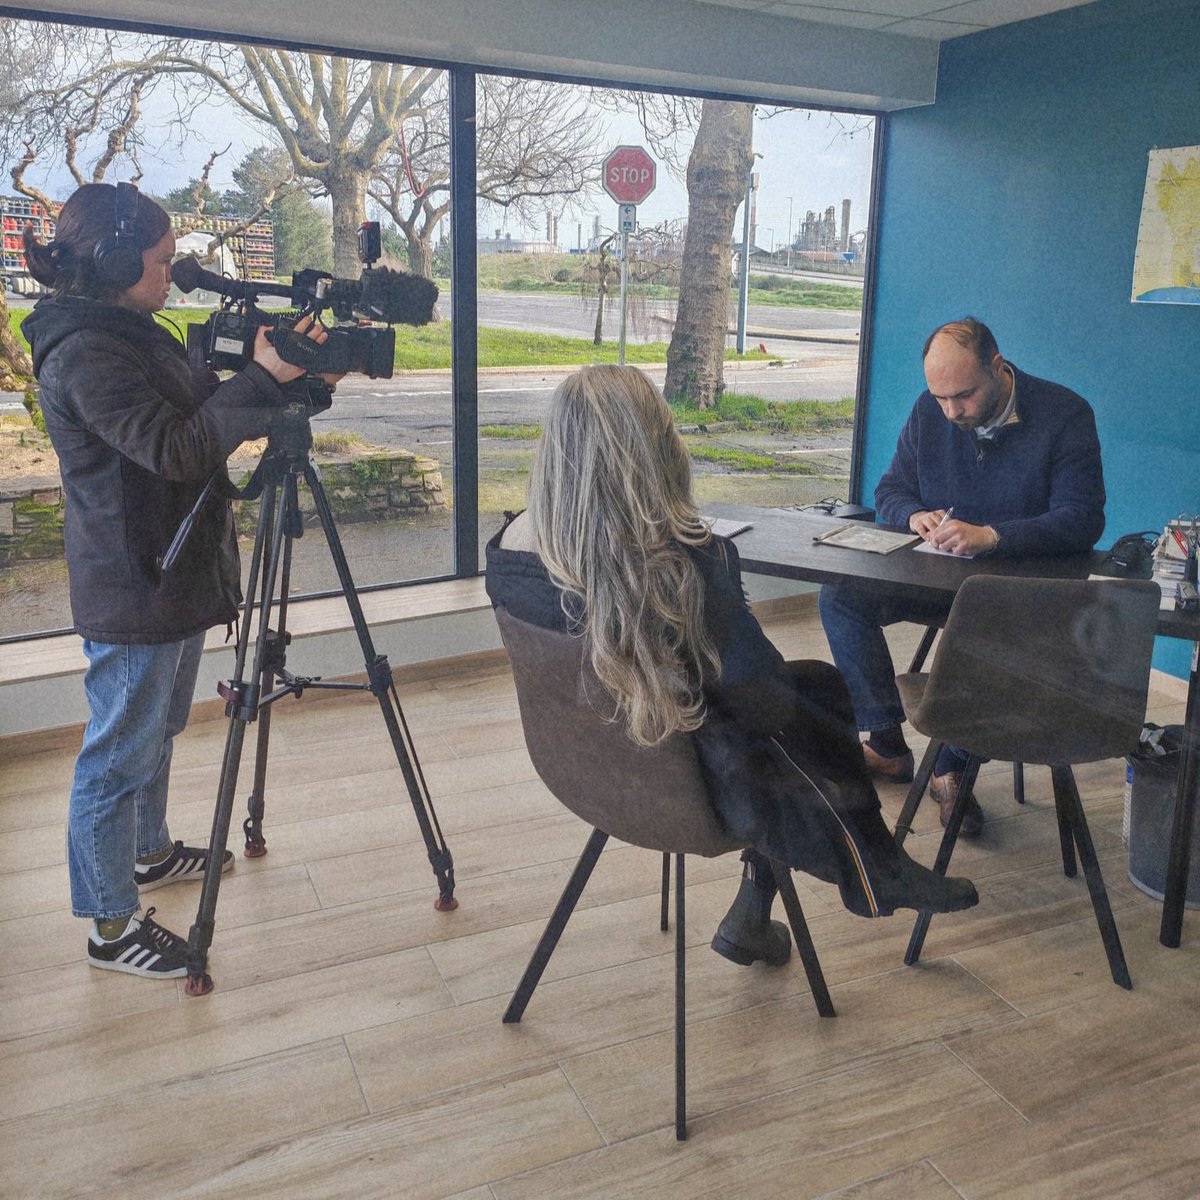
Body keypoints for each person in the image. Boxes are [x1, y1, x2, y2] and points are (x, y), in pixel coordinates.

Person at [485, 364, 977, 969]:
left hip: (589, 767)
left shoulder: (509, 552)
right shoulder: (684, 559)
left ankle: (764, 903)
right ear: (657, 447)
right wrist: (723, 579)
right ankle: (869, 862)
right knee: (809, 696)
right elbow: (765, 697)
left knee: (795, 701)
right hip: (690, 789)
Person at [22, 181, 331, 979]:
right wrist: (257, 383)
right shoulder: (87, 352)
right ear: (120, 262)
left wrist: (278, 381)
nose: (172, 272)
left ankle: (149, 854)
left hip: (171, 566)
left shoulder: (126, 328)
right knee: (115, 757)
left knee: (156, 733)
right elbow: (177, 448)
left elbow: (195, 408)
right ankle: (109, 924)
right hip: (137, 580)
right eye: (161, 261)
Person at [819, 316, 1106, 836]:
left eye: (964, 396)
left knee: (988, 634)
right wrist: (913, 515)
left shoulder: (1065, 414)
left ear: (998, 368)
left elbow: (1082, 519)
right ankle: (886, 743)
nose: (951, 411)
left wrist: (993, 536)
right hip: (938, 580)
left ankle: (951, 767)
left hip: (1013, 596)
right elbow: (890, 491)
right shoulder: (932, 411)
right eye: (941, 398)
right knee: (840, 596)